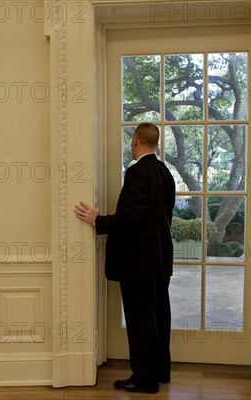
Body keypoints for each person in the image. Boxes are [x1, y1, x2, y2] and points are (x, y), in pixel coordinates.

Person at [74, 123, 175, 394]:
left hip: (140, 262)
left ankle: (144, 380)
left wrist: (98, 220)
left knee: (141, 319)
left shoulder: (137, 172)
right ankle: (160, 370)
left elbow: (132, 218)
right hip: (161, 259)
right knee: (159, 315)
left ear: (136, 142)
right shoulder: (165, 172)